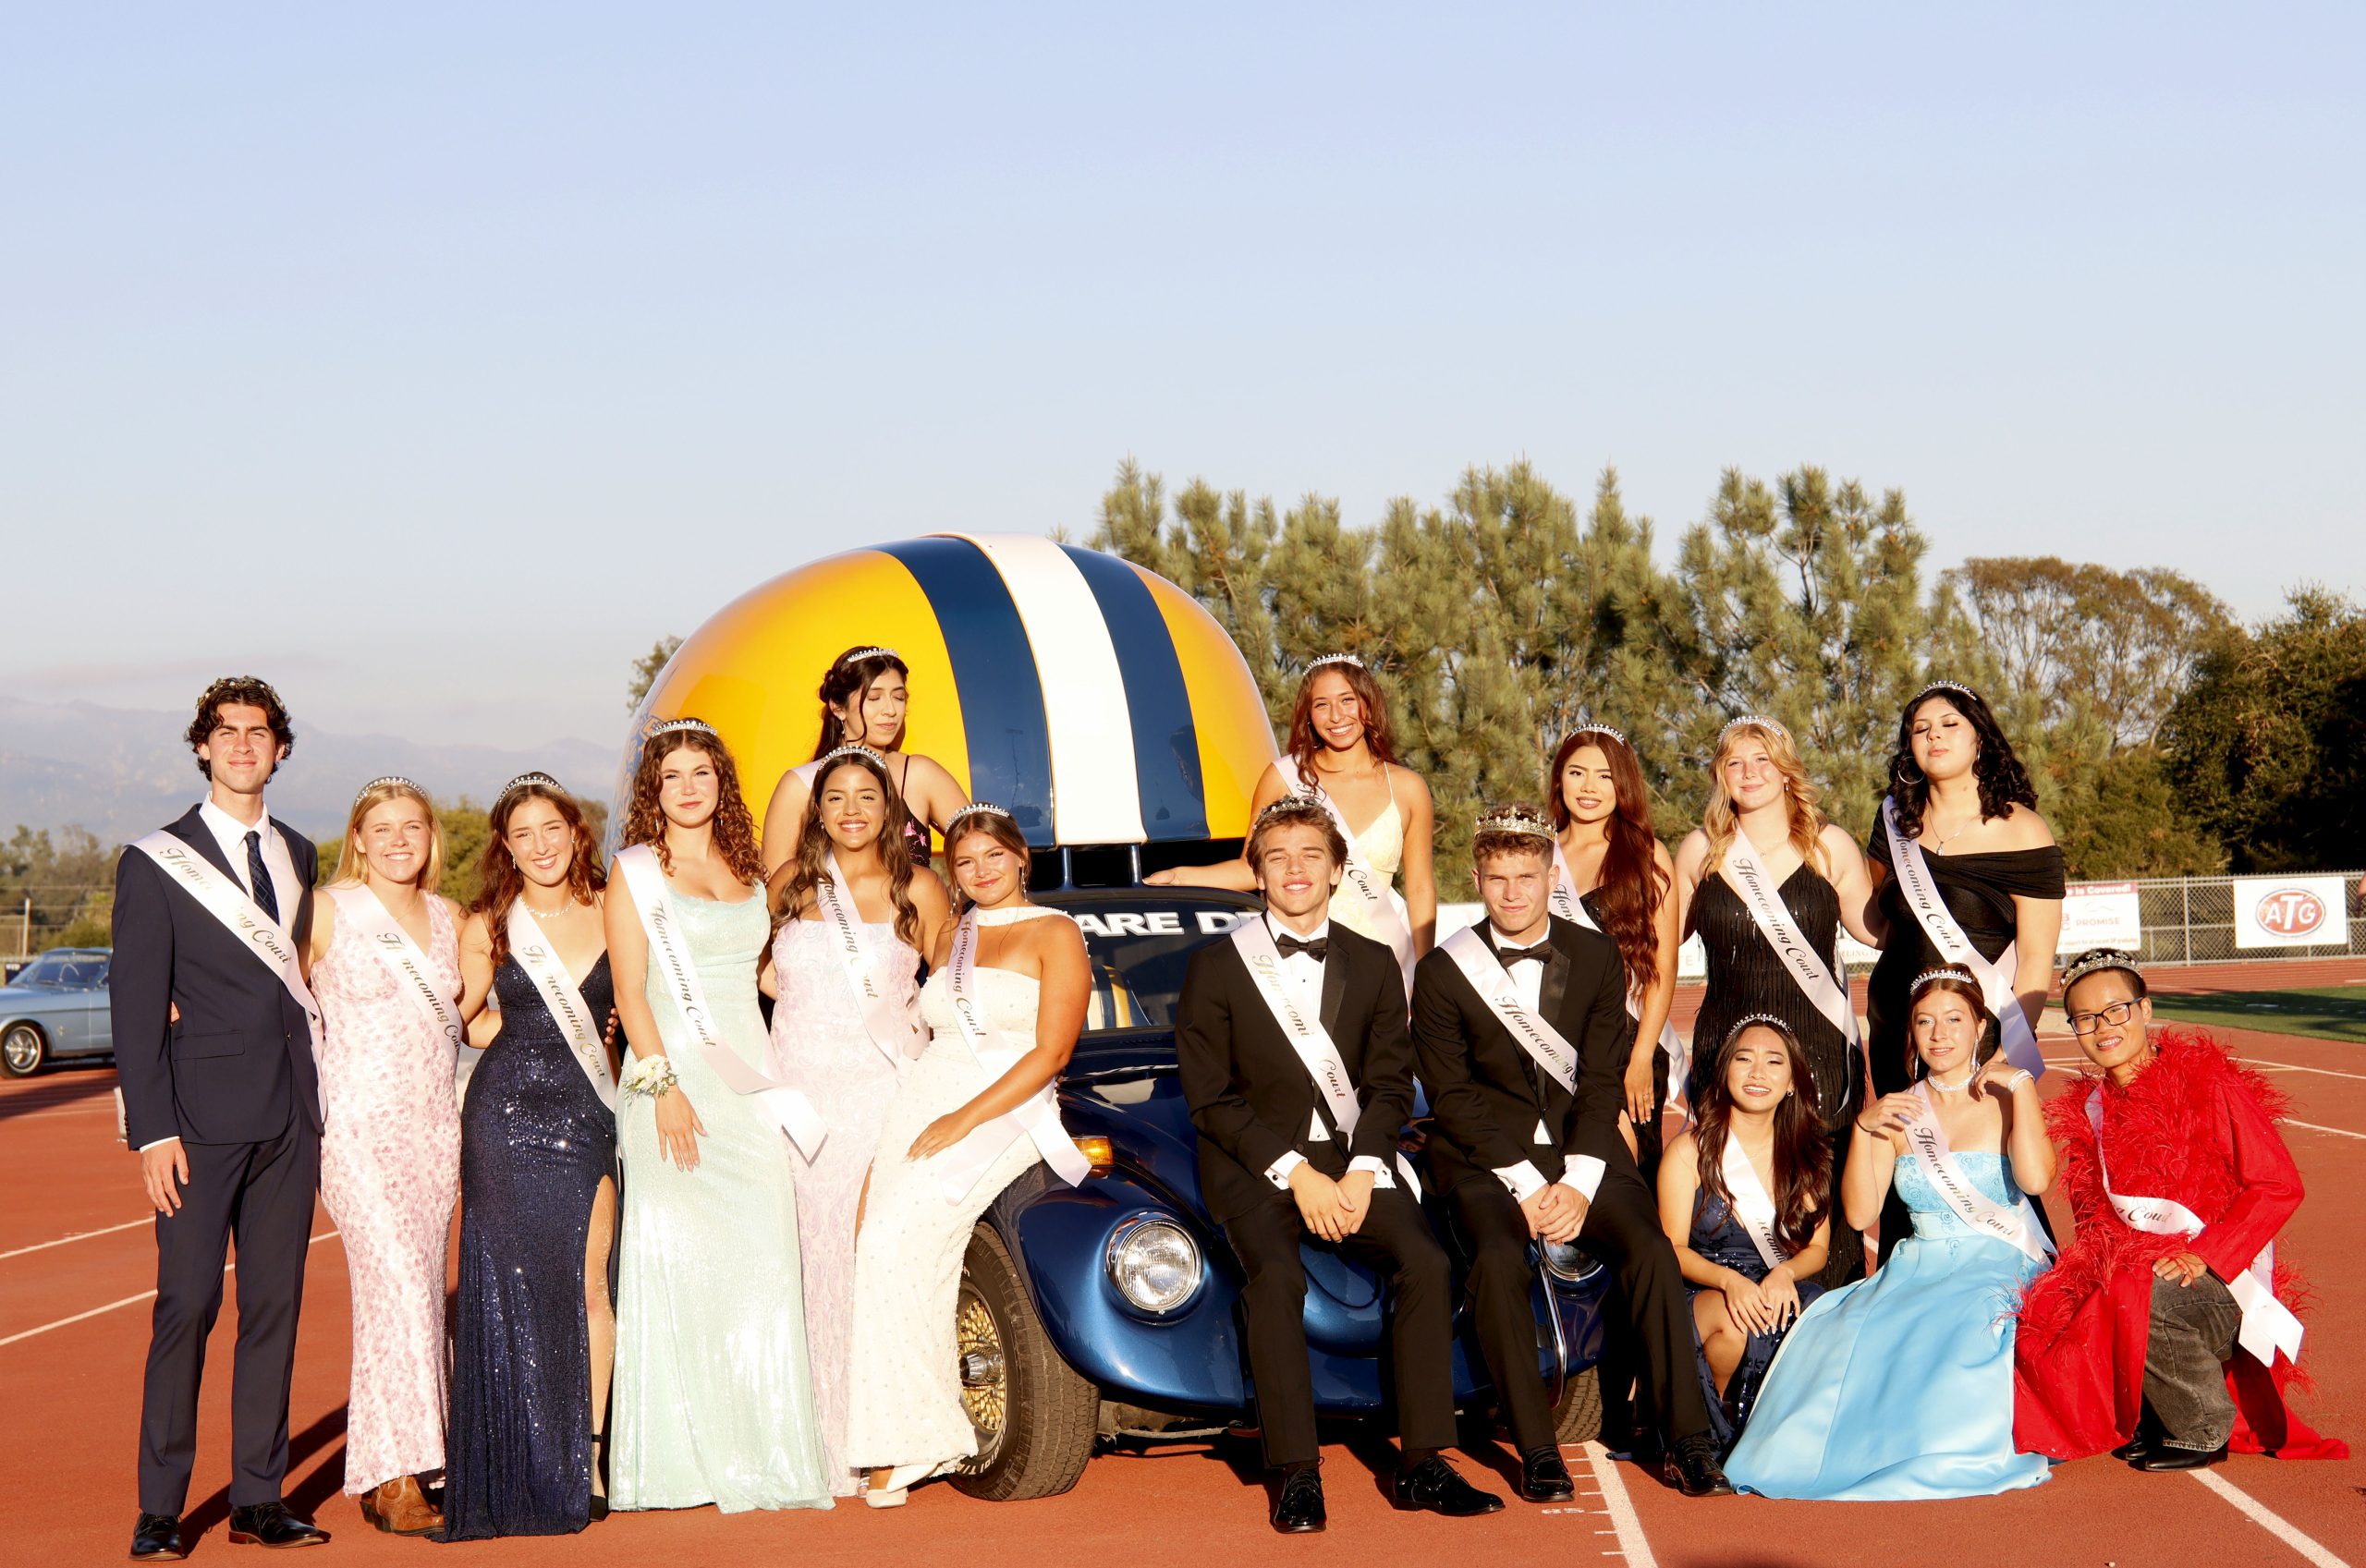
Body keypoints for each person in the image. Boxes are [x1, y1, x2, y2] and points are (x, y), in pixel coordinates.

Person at [1179, 796, 1498, 1531]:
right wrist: (1297, 1171)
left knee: (1424, 1258)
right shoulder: (1216, 966)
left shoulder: (1375, 961)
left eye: (1310, 856)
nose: (1295, 869)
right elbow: (1212, 1100)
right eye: (1278, 857)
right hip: (1255, 1162)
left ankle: (1422, 1460)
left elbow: (1389, 1082)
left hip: (1353, 1158)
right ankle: (1296, 1469)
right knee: (1278, 1275)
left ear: (1336, 870)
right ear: (1257, 873)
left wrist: (1361, 1170)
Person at [1414, 804, 1729, 1501]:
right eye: (1497, 879)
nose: (1512, 893)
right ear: (1478, 877)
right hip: (1484, 1159)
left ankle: (1687, 1440)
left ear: (1550, 874)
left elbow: (1600, 1079)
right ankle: (1537, 1449)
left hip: (1582, 1153)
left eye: (1526, 876)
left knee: (1648, 1250)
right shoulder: (1441, 971)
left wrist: (1581, 1180)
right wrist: (1529, 1185)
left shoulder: (1594, 956)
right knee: (1497, 1260)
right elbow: (1453, 1095)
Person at [115, 676, 330, 1560]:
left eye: (260, 732)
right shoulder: (154, 859)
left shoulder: (303, 854)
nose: (244, 745)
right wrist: (152, 1130)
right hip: (197, 1125)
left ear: (281, 748)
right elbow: (134, 1010)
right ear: (202, 746)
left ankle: (257, 1497)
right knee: (188, 1304)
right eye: (226, 732)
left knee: (275, 1306)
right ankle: (161, 1507)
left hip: (289, 1117)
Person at [604, 719, 833, 1513]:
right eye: (672, 776)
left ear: (720, 783)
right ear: (653, 791)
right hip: (672, 1086)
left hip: (751, 1080)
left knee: (764, 1264)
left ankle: (762, 1446)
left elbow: (767, 975)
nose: (689, 786)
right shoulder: (634, 873)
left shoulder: (747, 869)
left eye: (701, 772)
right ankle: (677, 1461)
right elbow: (631, 990)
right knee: (678, 1264)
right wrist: (663, 1086)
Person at [1724, 965, 2055, 1501]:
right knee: (1847, 1328)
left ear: (1978, 1026)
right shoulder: (1899, 1113)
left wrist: (2021, 1086)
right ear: (1911, 1033)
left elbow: (2037, 1179)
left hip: (1999, 1259)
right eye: (1925, 1022)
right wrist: (1864, 1128)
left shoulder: (2004, 1098)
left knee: (1962, 1319)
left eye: (1954, 1019)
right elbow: (1858, 1215)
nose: (1940, 1034)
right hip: (1920, 1262)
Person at [843, 804, 1093, 1506]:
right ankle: (908, 1429)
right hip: (924, 1099)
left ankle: (922, 1438)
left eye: (993, 855)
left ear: (1021, 857)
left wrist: (964, 1117)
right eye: (964, 862)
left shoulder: (1055, 931)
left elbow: (1053, 1051)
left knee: (901, 1240)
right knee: (875, 1244)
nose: (980, 870)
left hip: (1003, 1111)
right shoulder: (953, 932)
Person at [2014, 950, 2347, 1469]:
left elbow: (2278, 1185)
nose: (2103, 1028)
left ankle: (2201, 1425)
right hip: (2143, 1274)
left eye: (2116, 1011)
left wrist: (2205, 1256)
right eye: (2084, 1018)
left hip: (2221, 1286)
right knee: (2054, 1303)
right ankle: (2136, 1415)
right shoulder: (2089, 1112)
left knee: (2141, 1294)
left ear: (2145, 1011)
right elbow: (2095, 1225)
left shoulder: (2208, 1082)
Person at [763, 745, 950, 1497]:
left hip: (882, 1098)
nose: (849, 810)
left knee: (866, 1261)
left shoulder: (924, 890)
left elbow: (953, 994)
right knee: (806, 1265)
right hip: (798, 1099)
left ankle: (879, 1436)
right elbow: (743, 976)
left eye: (865, 798)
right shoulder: (787, 886)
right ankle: (813, 1438)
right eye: (834, 797)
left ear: (889, 810)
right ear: (818, 810)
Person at [445, 774, 621, 1538]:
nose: (541, 845)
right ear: (507, 847)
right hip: (505, 1113)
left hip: (588, 1112)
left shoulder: (616, 908)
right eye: (524, 834)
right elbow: (464, 1018)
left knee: (588, 1281)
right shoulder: (490, 923)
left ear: (575, 832)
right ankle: (522, 1453)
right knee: (513, 1284)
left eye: (552, 828)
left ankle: (586, 1451)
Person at [305, 775, 465, 1535]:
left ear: (431, 837)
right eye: (383, 826)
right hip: (360, 1133)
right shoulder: (327, 911)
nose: (399, 838)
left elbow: (468, 1019)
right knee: (400, 1284)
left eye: (413, 825)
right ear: (358, 838)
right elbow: (268, 995)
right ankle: (401, 1471)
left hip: (435, 1133)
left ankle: (393, 1464)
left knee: (419, 1294)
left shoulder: (450, 916)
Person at [1673, 715, 1879, 1286]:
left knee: (1821, 1196)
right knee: (1733, 1190)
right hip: (1728, 1052)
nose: (1750, 772)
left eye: (1763, 759)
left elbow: (1876, 929)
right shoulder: (1700, 850)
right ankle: (1737, 1323)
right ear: (1720, 775)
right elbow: (1658, 948)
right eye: (1735, 762)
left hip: (1818, 1051)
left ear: (1787, 771)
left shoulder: (1827, 844)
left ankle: (1827, 1327)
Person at [1864, 681, 2063, 1245]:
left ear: (1981, 739)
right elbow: (1880, 925)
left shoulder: (2024, 829)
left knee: (1993, 1180)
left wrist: (2006, 1051)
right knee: (1907, 1175)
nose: (1935, 736)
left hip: (1976, 1036)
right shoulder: (1893, 824)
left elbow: (2035, 967)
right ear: (1910, 748)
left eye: (1950, 724)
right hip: (1897, 1032)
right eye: (1921, 728)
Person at [1149, 653, 1435, 987]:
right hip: (1299, 960)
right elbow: (1251, 869)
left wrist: (1424, 973)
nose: (1336, 716)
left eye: (1347, 700)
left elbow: (1420, 887)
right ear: (1308, 715)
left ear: (1368, 705)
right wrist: (1180, 877)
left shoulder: (1407, 787)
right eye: (1322, 705)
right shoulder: (1282, 777)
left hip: (1385, 964)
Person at [1657, 1017, 1830, 1455]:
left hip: (1776, 1284)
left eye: (1774, 1062)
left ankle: (1769, 1429)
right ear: (1724, 1072)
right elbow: (1671, 1250)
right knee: (1736, 1323)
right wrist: (1730, 1282)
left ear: (1792, 1082)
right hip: (1703, 1286)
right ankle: (1712, 1426)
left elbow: (1818, 1250)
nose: (1757, 1073)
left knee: (1826, 1317)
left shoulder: (1806, 1155)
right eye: (1744, 1059)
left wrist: (1783, 1274)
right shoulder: (1689, 1151)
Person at [759, 646, 970, 874]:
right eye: (874, 697)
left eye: (898, 697)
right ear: (838, 707)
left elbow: (985, 844)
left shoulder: (920, 774)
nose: (890, 710)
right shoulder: (800, 785)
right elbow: (776, 886)